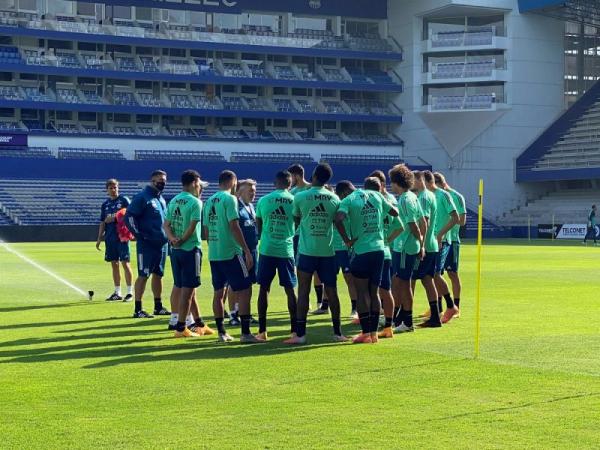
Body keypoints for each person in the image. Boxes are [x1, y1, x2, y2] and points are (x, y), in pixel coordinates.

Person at [284, 163, 347, 344]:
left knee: (303, 291)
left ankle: (300, 334)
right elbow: (338, 221)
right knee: (332, 292)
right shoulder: (334, 198)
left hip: (306, 251)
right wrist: (348, 240)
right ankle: (337, 332)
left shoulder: (301, 196)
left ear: (313, 176)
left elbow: (296, 219)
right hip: (327, 251)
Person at [335, 177, 399, 344]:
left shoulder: (349, 200)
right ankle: (374, 334)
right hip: (379, 249)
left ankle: (365, 333)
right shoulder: (377, 196)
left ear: (344, 193)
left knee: (362, 291)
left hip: (361, 249)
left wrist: (347, 240)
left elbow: (338, 219)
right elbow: (395, 213)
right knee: (375, 291)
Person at [203, 170, 263, 343]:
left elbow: (206, 231)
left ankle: (222, 333)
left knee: (218, 292)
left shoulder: (208, 201)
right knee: (245, 289)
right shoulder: (230, 199)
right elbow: (234, 226)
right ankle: (245, 333)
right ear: (233, 181)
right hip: (231, 252)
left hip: (215, 254)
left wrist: (214, 244)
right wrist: (245, 250)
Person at [163, 170, 213, 337]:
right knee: (188, 290)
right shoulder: (196, 203)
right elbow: (192, 228)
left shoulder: (174, 200)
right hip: (190, 249)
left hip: (175, 250)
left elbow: (166, 224)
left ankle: (199, 323)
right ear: (193, 183)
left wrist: (173, 239)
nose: (200, 188)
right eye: (199, 184)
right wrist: (182, 239)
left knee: (185, 287)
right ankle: (181, 327)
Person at [255, 171, 298, 341]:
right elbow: (298, 221)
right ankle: (294, 330)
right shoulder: (295, 200)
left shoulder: (263, 200)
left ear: (275, 183)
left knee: (264, 288)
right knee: (289, 290)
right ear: (290, 184)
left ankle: (262, 331)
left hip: (267, 249)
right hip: (286, 250)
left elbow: (259, 223)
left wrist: (265, 235)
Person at [124, 170, 171, 318]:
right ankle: (138, 309)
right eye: (159, 180)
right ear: (152, 181)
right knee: (143, 275)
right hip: (147, 244)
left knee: (158, 274)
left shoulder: (161, 199)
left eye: (164, 180)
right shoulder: (142, 197)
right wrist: (139, 235)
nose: (162, 183)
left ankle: (158, 306)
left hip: (162, 244)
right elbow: (129, 217)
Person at [389, 164, 424, 333]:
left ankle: (408, 321)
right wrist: (421, 244)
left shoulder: (404, 199)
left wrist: (419, 243)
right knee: (399, 282)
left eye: (392, 182)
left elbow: (413, 224)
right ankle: (400, 317)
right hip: (404, 246)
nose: (391, 186)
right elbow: (423, 221)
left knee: (404, 284)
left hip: (404, 247)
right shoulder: (413, 197)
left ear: (397, 182)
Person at [289, 163, 328, 314]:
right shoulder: (292, 192)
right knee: (301, 269)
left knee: (317, 270)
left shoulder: (311, 189)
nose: (290, 179)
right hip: (297, 234)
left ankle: (320, 301)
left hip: (312, 234)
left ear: (297, 175)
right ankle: (305, 301)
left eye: (291, 176)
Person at [369, 170, 403, 338]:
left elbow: (400, 226)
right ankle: (387, 324)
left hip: (378, 249)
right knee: (384, 289)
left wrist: (386, 240)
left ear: (382, 185)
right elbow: (400, 226)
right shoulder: (390, 200)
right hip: (385, 250)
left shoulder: (382, 201)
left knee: (378, 289)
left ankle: (377, 325)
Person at [426, 172, 460, 324]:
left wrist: (440, 235)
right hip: (430, 242)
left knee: (435, 274)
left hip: (442, 241)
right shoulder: (427, 196)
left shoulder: (444, 195)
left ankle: (451, 306)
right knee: (429, 275)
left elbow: (456, 218)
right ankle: (437, 309)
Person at [411, 171, 443, 328]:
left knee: (409, 279)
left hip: (425, 246)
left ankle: (405, 317)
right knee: (428, 280)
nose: (410, 183)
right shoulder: (430, 195)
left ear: (419, 180)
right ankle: (435, 316)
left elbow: (425, 222)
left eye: (412, 180)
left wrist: (420, 244)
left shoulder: (423, 197)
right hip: (432, 245)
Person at [227, 179, 259, 326]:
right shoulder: (235, 207)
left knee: (248, 283)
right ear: (239, 191)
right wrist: (244, 250)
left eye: (254, 190)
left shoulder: (251, 206)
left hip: (252, 250)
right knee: (235, 284)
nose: (253, 193)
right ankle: (233, 314)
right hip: (240, 251)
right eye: (250, 191)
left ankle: (244, 312)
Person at [96, 179, 133, 301]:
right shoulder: (105, 204)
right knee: (114, 264)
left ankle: (130, 292)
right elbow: (103, 221)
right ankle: (117, 292)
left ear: (118, 188)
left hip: (122, 237)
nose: (113, 190)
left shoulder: (124, 200)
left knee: (125, 263)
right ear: (107, 190)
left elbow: (130, 214)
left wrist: (116, 216)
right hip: (110, 237)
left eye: (115, 187)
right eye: (110, 188)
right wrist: (99, 238)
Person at [437, 173, 467, 317]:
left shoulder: (457, 196)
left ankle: (456, 306)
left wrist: (448, 220)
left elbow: (462, 221)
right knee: (437, 273)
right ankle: (438, 307)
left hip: (452, 239)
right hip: (441, 240)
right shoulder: (437, 196)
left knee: (452, 273)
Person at [333, 181, 359, 319]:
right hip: (336, 247)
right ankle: (326, 305)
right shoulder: (338, 204)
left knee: (352, 278)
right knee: (332, 279)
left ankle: (356, 308)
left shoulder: (353, 202)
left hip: (350, 248)